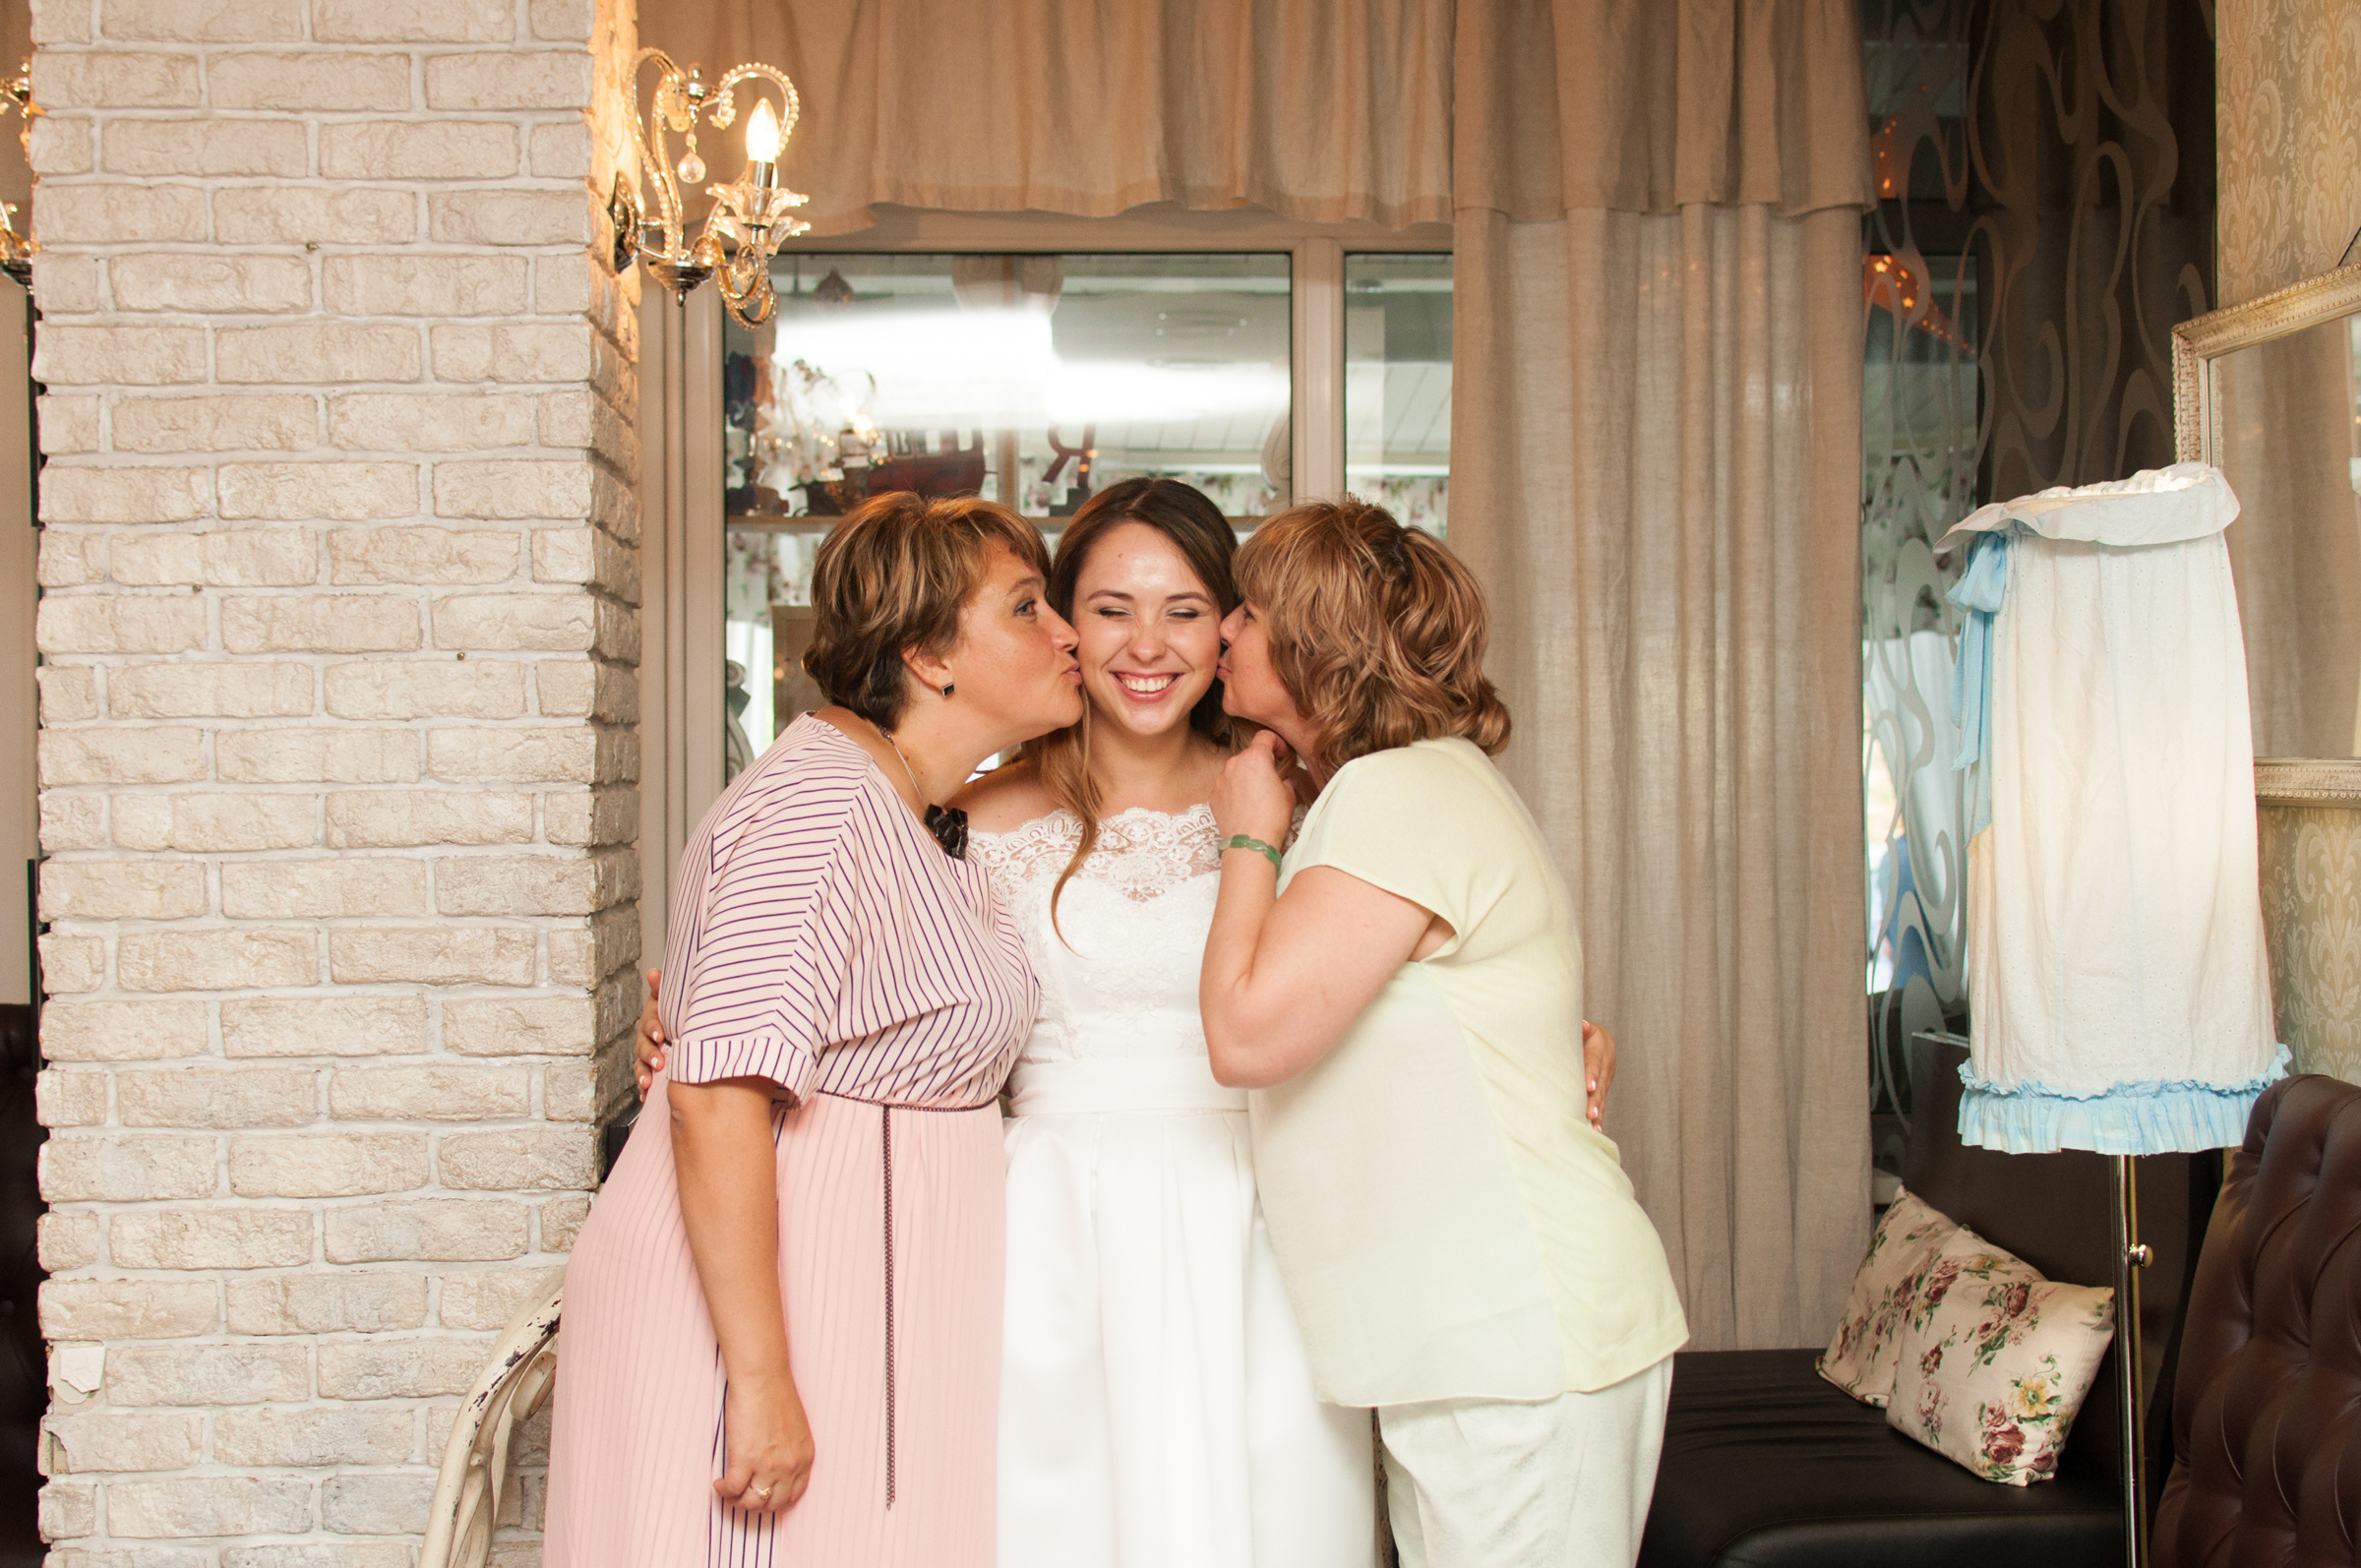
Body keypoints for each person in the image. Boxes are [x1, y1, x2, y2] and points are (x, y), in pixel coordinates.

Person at [631, 481, 1620, 1567]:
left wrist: (1545, 1050)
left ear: (1235, 631)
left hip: (1267, 1229)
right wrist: (682, 1011)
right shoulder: (957, 811)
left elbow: (1422, 962)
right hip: (1041, 1233)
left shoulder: (1312, 794)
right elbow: (856, 973)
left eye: (1188, 609)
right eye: (1108, 608)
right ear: (1062, 628)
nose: (1147, 644)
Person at [544, 492, 1083, 1568]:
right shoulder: (819, 808)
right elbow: (714, 1095)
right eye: (1028, 608)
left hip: (870, 1319)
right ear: (931, 653)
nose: (1065, 632)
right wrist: (760, 1379)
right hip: (770, 1324)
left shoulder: (914, 815)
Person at [1198, 498, 1688, 1568]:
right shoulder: (1407, 788)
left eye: (1247, 610)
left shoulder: (1396, 791)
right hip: (1484, 1337)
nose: (1222, 632)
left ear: (1318, 642)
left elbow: (1244, 1034)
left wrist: (1248, 827)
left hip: (1518, 1336)